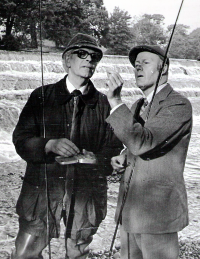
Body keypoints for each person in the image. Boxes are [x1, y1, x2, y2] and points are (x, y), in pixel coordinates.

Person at [11, 33, 122, 259]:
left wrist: (97, 160)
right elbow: (20, 139)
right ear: (67, 60)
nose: (89, 60)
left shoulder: (104, 103)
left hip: (86, 195)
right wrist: (48, 144)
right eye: (82, 54)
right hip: (41, 193)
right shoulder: (41, 96)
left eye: (94, 56)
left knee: (78, 252)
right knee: (25, 253)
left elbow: (114, 150)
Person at [106, 45, 192, 259]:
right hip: (131, 210)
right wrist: (124, 157)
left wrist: (115, 102)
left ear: (163, 69)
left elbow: (143, 142)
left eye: (145, 63)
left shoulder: (178, 104)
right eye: (136, 65)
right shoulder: (137, 105)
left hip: (157, 213)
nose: (138, 68)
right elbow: (140, 145)